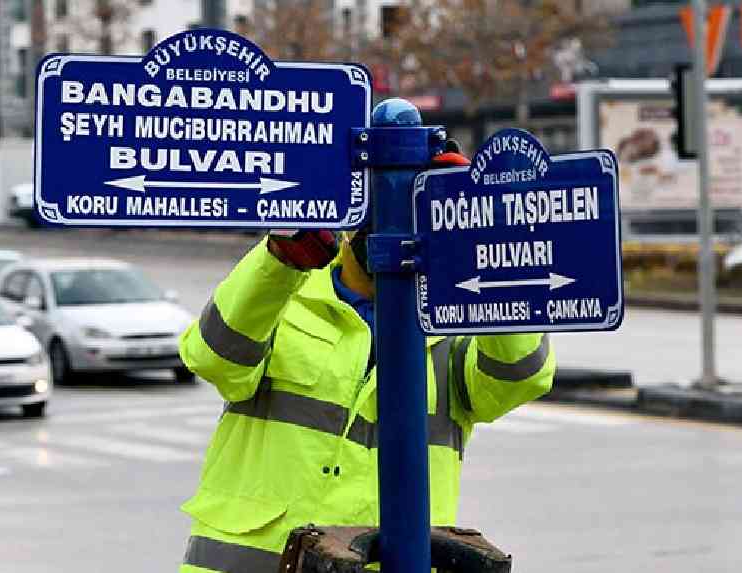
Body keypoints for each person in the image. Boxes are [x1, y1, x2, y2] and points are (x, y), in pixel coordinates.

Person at [177, 145, 555, 572]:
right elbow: (212, 358)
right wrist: (280, 256)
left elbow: (521, 377)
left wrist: (487, 239)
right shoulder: (285, 296)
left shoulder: (454, 325)